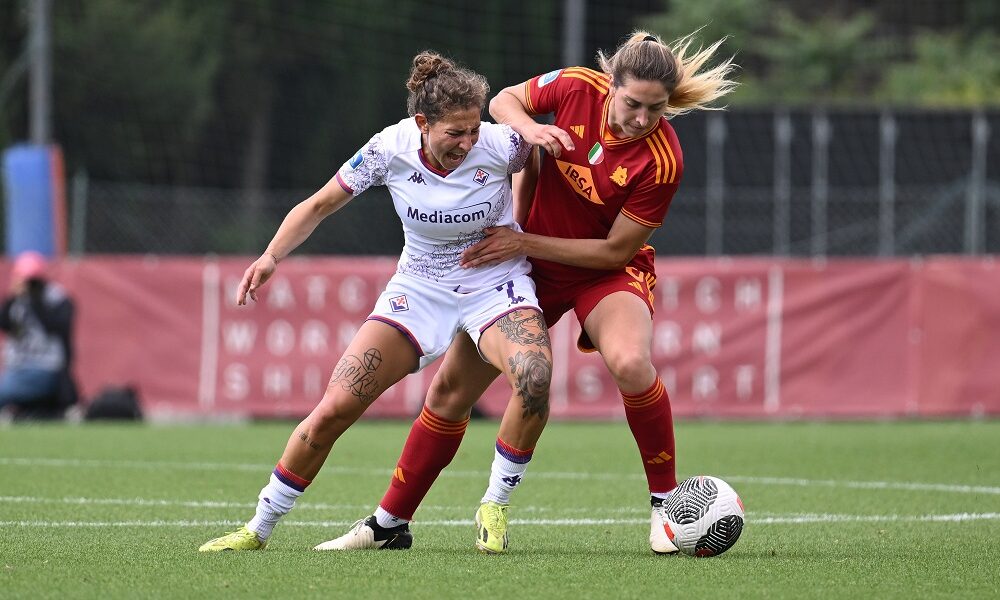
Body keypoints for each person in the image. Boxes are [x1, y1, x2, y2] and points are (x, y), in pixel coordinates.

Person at [332, 30, 738, 555]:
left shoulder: (663, 161)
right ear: (610, 85)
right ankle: (389, 523)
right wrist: (531, 131)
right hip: (528, 266)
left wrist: (522, 240)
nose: (641, 120)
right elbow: (504, 100)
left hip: (601, 271)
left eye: (655, 109)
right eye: (633, 104)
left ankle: (664, 507)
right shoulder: (574, 87)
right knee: (449, 394)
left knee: (632, 363)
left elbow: (615, 253)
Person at [198, 50, 552, 554]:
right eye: (455, 133)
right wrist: (271, 256)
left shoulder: (501, 143)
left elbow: (533, 157)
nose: (468, 142)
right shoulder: (389, 148)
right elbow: (320, 203)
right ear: (422, 123)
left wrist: (521, 221)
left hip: (493, 285)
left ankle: (494, 506)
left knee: (535, 377)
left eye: (474, 130)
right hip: (418, 289)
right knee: (334, 408)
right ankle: (257, 528)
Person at [0, 251, 78, 418]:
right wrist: (11, 298)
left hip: (45, 368)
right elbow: (4, 324)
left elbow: (55, 327)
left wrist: (35, 299)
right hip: (17, 367)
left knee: (5, 390)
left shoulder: (56, 298)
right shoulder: (16, 300)